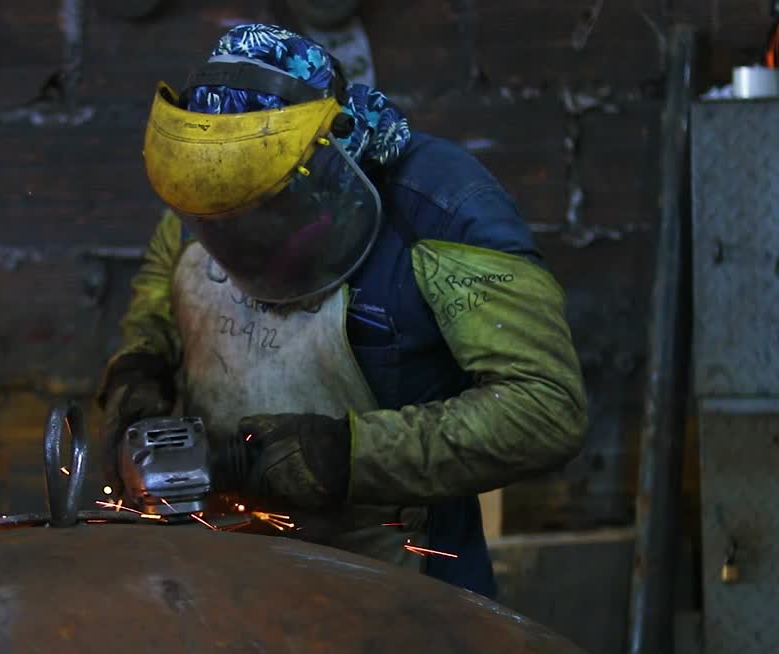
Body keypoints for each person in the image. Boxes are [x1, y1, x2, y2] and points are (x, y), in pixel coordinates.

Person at [96, 23, 587, 600]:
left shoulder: (444, 214)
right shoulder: (215, 184)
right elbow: (161, 280)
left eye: (263, 212)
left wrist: (344, 456)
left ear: (327, 163)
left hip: (402, 589)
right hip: (227, 571)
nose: (239, 246)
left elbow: (546, 409)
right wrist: (139, 367)